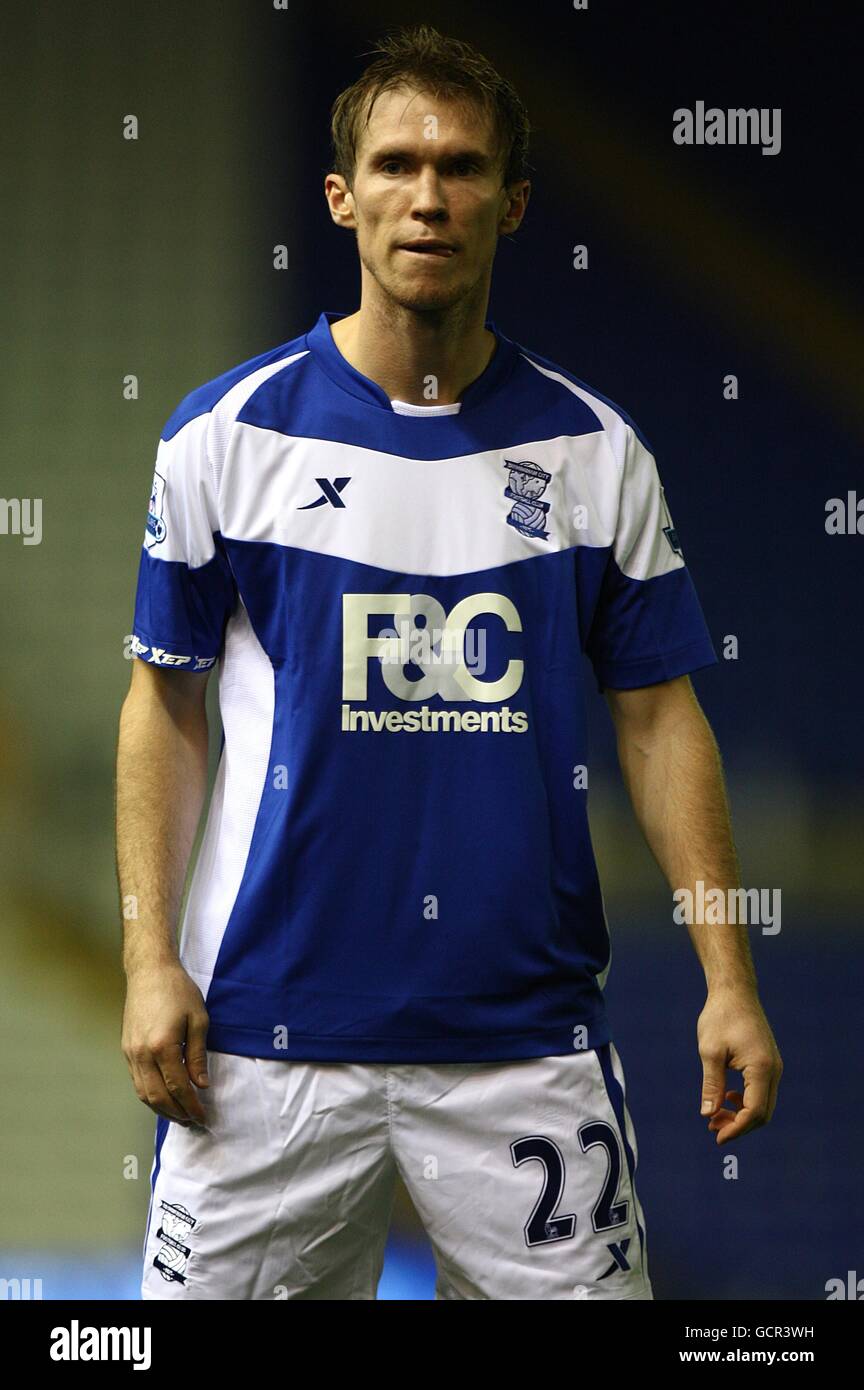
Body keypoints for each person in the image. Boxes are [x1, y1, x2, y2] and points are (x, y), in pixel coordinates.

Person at [116, 23, 782, 1301]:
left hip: (522, 1047)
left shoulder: (597, 456)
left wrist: (727, 978)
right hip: (267, 1045)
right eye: (398, 163)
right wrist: (152, 963)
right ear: (342, 197)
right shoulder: (224, 438)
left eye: (465, 166)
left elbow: (660, 722)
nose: (430, 195)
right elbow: (166, 708)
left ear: (513, 203)